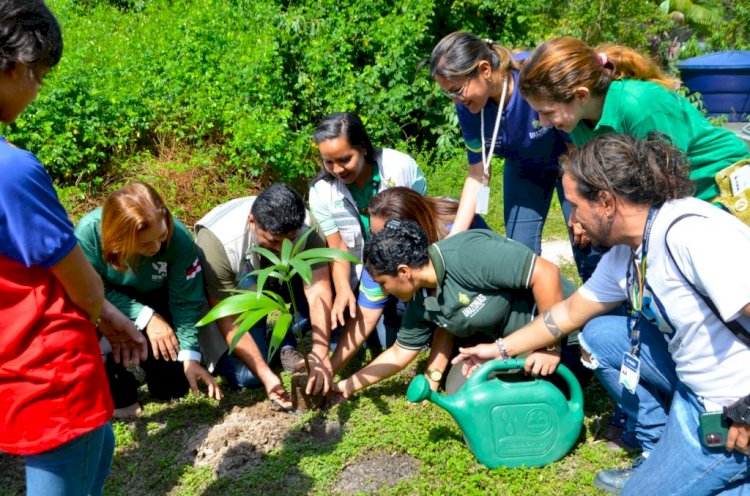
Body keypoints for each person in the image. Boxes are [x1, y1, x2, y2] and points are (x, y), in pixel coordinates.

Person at [454, 133, 750, 495]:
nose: (573, 220)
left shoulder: (691, 235)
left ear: (607, 202)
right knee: (602, 334)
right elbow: (565, 315)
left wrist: (746, 410)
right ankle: (667, 450)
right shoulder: (629, 251)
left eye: (575, 206)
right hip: (694, 389)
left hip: (731, 406)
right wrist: (498, 349)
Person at [0, 1, 141, 493]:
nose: (36, 90)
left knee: (98, 452)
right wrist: (109, 313)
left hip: (15, 368)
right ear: (14, 65)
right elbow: (82, 287)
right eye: (38, 76)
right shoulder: (12, 171)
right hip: (48, 371)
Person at [330, 220, 583, 400]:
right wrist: (346, 386)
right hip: (511, 348)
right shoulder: (420, 299)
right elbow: (399, 353)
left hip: (566, 334)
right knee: (462, 390)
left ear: (404, 272)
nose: (384, 292)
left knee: (549, 395)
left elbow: (546, 273)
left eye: (383, 283)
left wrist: (550, 345)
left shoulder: (466, 254)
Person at [429, 31, 598, 280]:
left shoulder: (530, 82)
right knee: (520, 257)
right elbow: (477, 175)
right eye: (449, 94)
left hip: (571, 164)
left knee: (587, 241)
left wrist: (580, 206)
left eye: (457, 90)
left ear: (484, 69)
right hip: (523, 170)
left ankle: (607, 310)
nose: (456, 99)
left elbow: (576, 150)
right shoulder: (467, 107)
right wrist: (451, 243)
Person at [518, 36, 749, 205]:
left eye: (547, 112)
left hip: (721, 186)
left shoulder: (638, 103)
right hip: (676, 193)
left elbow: (668, 185)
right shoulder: (578, 120)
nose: (543, 122)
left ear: (581, 95)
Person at [76, 182, 222, 418]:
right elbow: (89, 289)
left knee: (172, 388)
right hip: (109, 303)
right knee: (102, 362)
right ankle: (116, 375)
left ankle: (148, 363)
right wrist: (146, 317)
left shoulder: (179, 240)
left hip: (158, 298)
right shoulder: (89, 234)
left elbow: (185, 299)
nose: (156, 247)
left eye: (161, 237)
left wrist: (189, 355)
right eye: (144, 244)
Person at [330, 186, 492, 390]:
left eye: (384, 235)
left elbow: (451, 314)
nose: (377, 242)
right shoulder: (384, 255)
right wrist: (332, 370)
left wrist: (433, 375)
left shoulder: (457, 235)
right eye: (374, 234)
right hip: (445, 308)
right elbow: (369, 316)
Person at [194, 184, 333, 406]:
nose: (283, 249)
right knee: (248, 376)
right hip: (240, 300)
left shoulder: (305, 224)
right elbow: (228, 317)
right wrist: (266, 375)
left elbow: (318, 288)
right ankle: (265, 343)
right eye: (274, 241)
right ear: (252, 222)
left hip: (278, 283)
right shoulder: (217, 243)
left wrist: (320, 351)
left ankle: (285, 342)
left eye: (291, 240)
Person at [309, 111, 427, 349]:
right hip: (365, 275)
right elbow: (338, 247)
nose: (338, 169)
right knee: (379, 342)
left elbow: (423, 222)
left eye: (344, 159)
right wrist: (343, 290)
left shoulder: (399, 168)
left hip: (406, 267)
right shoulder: (321, 192)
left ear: (363, 147)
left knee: (402, 330)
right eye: (328, 162)